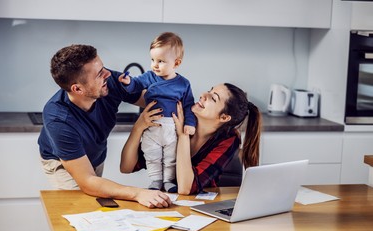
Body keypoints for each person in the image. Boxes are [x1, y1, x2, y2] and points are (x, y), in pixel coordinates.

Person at [38, 44, 171, 208]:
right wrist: (139, 193)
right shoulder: (59, 120)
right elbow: (87, 180)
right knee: (81, 210)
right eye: (99, 74)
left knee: (98, 206)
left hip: (95, 154)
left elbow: (154, 101)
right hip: (62, 163)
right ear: (77, 88)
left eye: (103, 68)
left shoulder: (108, 82)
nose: (108, 74)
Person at [120, 83, 262, 195]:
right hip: (166, 201)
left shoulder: (229, 139)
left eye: (213, 98)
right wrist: (138, 128)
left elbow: (185, 188)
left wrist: (183, 135)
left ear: (224, 117)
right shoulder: (175, 115)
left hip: (202, 206)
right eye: (209, 90)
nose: (203, 95)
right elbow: (127, 167)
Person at [119, 32, 196, 193]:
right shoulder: (150, 77)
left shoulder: (183, 84)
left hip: (171, 128)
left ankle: (168, 180)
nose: (155, 65)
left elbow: (188, 106)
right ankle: (156, 179)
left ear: (176, 63)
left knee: (170, 156)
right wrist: (128, 82)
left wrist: (189, 123)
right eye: (153, 60)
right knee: (151, 154)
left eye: (161, 61)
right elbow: (136, 84)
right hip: (152, 126)